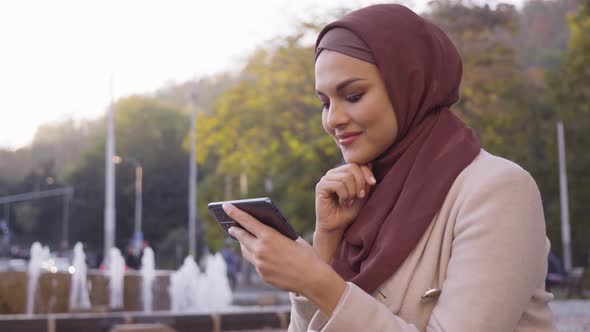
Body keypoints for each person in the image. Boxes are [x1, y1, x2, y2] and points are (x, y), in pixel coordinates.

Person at [222, 4, 557, 331]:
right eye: (325, 103)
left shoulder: (498, 190)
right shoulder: (361, 201)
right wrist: (326, 241)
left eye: (352, 96)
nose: (333, 119)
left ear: (408, 86)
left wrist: (316, 279)